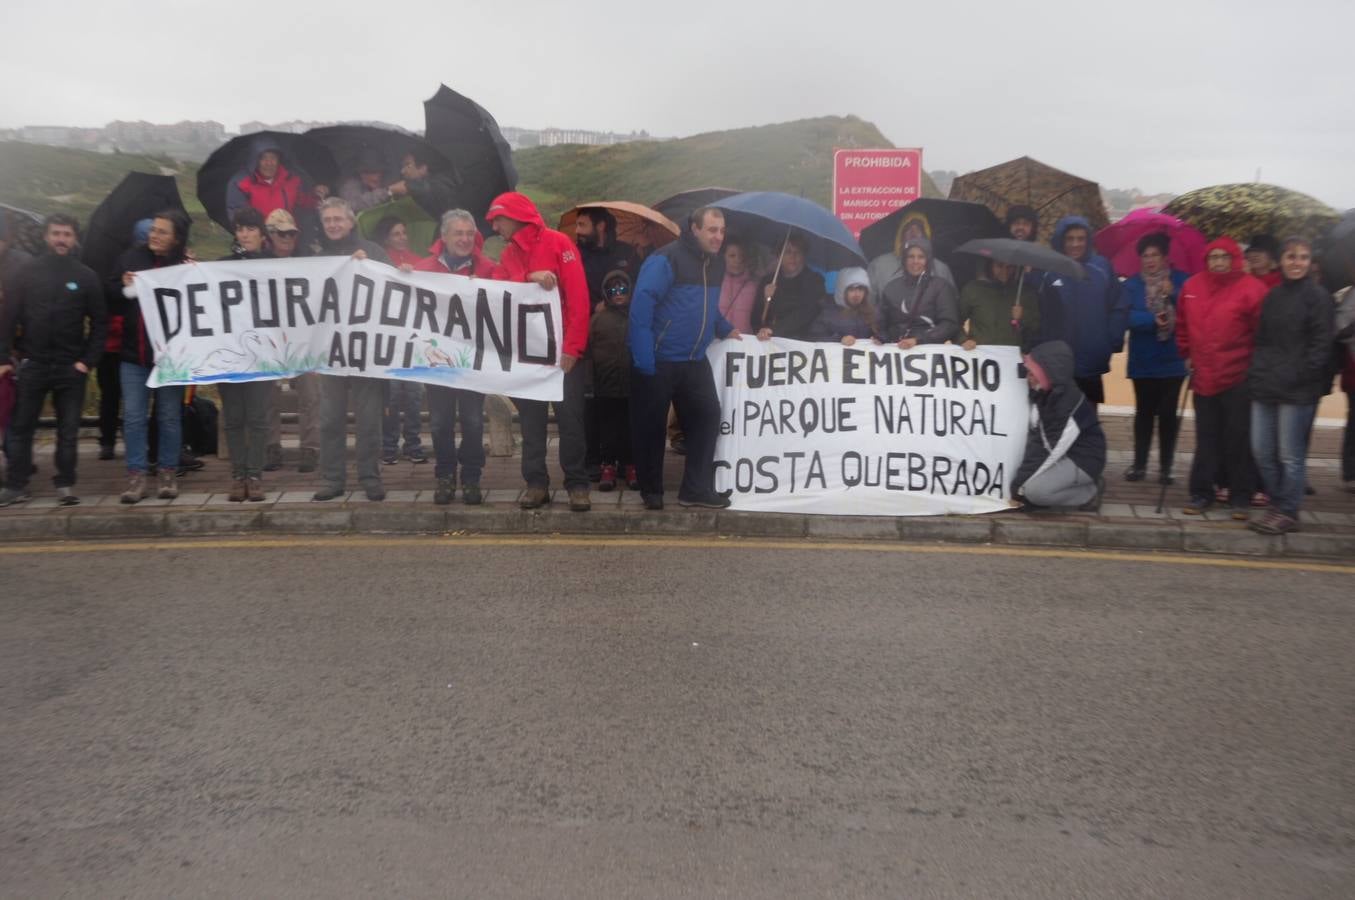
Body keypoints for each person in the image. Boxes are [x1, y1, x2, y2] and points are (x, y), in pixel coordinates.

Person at [485, 191, 592, 511]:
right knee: (531, 422)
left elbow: (578, 299)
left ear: (516, 217)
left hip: (562, 355)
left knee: (570, 420)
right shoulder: (508, 256)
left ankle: (576, 484)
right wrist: (528, 277)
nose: (495, 227)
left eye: (499, 220)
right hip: (528, 355)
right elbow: (500, 291)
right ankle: (535, 483)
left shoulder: (560, 243)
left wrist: (573, 347)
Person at [629, 206, 740, 509]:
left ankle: (695, 489)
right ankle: (651, 491)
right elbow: (641, 306)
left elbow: (705, 307)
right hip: (658, 357)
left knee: (707, 416)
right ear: (695, 229)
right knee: (651, 427)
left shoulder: (715, 264)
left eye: (721, 230)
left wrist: (725, 328)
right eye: (712, 230)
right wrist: (643, 358)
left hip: (693, 359)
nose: (718, 236)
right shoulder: (666, 258)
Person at [0, 214, 106, 508]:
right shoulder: (27, 272)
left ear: (74, 239)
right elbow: (8, 319)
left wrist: (87, 361)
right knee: (21, 427)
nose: (61, 239)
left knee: (68, 431)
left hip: (71, 367)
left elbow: (100, 322)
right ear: (46, 237)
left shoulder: (86, 276)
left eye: (67, 234)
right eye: (56, 233)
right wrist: (4, 357)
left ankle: (65, 483)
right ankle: (16, 484)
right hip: (33, 363)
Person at [1246, 237, 1335, 534]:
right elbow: (1262, 340)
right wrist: (1258, 373)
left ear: (1310, 262)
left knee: (1290, 455)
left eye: (1303, 257)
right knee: (1262, 451)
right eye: (1291, 257)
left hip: (1298, 391)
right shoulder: (1273, 296)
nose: (1297, 262)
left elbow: (1322, 346)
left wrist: (1300, 375)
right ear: (1281, 260)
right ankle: (1276, 501)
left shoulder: (1319, 297)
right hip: (1266, 384)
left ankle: (1288, 510)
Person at [1176, 238, 1268, 519]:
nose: (1218, 262)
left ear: (1235, 259)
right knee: (1206, 439)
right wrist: (1186, 354)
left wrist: (1252, 369)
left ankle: (1241, 496)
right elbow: (1182, 325)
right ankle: (1201, 493)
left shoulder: (1253, 289)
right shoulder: (1192, 287)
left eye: (1224, 257)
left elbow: (1261, 334)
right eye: (1213, 257)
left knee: (1238, 439)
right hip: (1204, 375)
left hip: (1238, 376)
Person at [107, 210, 192, 503]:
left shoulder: (185, 265)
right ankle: (137, 476)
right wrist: (121, 284)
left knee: (169, 416)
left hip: (170, 357)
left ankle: (168, 471)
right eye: (153, 229)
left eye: (162, 231)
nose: (154, 235)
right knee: (133, 417)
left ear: (176, 238)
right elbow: (109, 294)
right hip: (134, 354)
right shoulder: (130, 258)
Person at [312, 198, 391, 502]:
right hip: (329, 349)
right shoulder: (314, 254)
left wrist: (368, 268)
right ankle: (333, 479)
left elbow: (397, 288)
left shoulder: (372, 251)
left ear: (350, 222)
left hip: (365, 350)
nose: (332, 225)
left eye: (337, 219)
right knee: (330, 418)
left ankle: (370, 477)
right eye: (327, 220)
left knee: (369, 419)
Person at [415, 209, 495, 504]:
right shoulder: (423, 268)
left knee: (473, 421)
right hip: (437, 363)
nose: (464, 239)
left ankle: (472, 477)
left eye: (469, 234)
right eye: (458, 233)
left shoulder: (487, 268)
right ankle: (445, 476)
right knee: (439, 422)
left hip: (474, 362)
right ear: (444, 236)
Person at [212, 210, 274, 501]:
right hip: (229, 352)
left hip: (262, 354)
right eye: (240, 229)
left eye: (251, 228)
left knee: (258, 418)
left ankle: (255, 475)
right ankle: (238, 475)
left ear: (262, 234)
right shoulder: (222, 266)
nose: (245, 234)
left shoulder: (277, 266)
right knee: (234, 418)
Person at [1123, 232, 1189, 483]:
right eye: (1145, 255)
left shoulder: (1181, 280)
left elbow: (1191, 311)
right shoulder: (1131, 285)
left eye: (1155, 255)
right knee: (1144, 413)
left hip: (1173, 359)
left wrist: (1172, 294)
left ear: (1165, 257)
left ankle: (1166, 467)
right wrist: (1151, 319)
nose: (1150, 260)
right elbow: (1125, 317)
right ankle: (1139, 464)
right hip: (1143, 359)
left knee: (1169, 415)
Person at [1043, 215, 1127, 412]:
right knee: (1060, 417)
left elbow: (1118, 306)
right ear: (1062, 241)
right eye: (1070, 239)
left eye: (1080, 239)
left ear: (1088, 241)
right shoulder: (1048, 270)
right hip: (1059, 360)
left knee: (1089, 417)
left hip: (1092, 357)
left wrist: (1111, 340)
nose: (1075, 244)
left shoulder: (1102, 268)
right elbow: (1042, 314)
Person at [1011, 340, 1106, 511]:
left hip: (1084, 459)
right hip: (1063, 453)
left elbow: (1050, 451)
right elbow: (1036, 441)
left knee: (1035, 493)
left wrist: (1019, 488)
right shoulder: (1044, 393)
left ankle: (1090, 492)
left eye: (1032, 374)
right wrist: (1018, 485)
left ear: (1047, 374)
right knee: (1026, 487)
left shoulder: (1067, 405)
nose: (1028, 378)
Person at [261, 209, 321, 473]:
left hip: (303, 339)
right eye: (280, 233)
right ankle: (271, 446)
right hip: (269, 338)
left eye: (291, 233)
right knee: (267, 395)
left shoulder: (308, 260)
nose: (287, 237)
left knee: (311, 394)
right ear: (270, 235)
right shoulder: (254, 264)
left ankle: (311, 447)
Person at [589, 269, 638, 491]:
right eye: (613, 289)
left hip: (631, 385)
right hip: (605, 386)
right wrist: (589, 383)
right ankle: (607, 465)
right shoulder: (597, 319)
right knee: (607, 428)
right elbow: (588, 353)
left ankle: (629, 465)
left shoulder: (637, 317)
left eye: (623, 289)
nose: (618, 293)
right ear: (606, 293)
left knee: (630, 428)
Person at [880, 238, 959, 347]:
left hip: (930, 355)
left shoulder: (940, 286)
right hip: (896, 354)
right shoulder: (891, 287)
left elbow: (949, 324)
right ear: (904, 259)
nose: (915, 261)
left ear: (928, 260)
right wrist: (881, 337)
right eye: (911, 256)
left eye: (921, 257)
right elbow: (881, 323)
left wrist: (917, 340)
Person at [226, 139, 325, 223]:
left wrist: (318, 195)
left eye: (273, 158)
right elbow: (238, 218)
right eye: (263, 158)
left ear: (279, 160)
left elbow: (307, 203)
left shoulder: (292, 180)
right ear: (254, 161)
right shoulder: (240, 183)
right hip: (259, 241)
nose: (269, 163)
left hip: (287, 238)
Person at [865, 211, 957, 299]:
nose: (914, 233)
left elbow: (951, 304)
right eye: (908, 229)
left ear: (926, 236)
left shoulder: (940, 269)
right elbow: (866, 303)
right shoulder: (878, 265)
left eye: (919, 229)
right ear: (901, 234)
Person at [754, 232, 826, 341]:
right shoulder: (768, 281)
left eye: (798, 252)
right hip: (771, 345)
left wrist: (775, 330)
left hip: (804, 342)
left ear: (804, 255)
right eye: (788, 252)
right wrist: (764, 300)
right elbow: (755, 320)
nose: (793, 256)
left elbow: (806, 313)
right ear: (779, 255)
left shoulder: (815, 281)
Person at [957, 258, 1039, 350]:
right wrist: (963, 340)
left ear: (1016, 268)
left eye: (1010, 267)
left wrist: (1022, 316)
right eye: (999, 266)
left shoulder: (1025, 293)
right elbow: (955, 322)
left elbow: (1036, 329)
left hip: (1012, 355)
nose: (1004, 272)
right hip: (979, 355)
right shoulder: (973, 289)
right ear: (990, 266)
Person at [574, 207, 639, 307]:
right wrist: (594, 307)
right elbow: (572, 292)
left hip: (625, 313)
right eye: (577, 225)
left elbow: (639, 284)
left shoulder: (628, 252)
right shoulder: (575, 256)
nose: (577, 231)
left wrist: (625, 297)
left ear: (600, 226)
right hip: (592, 317)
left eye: (582, 225)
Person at [809, 267, 879, 344]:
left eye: (860, 289)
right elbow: (814, 338)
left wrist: (879, 338)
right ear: (842, 290)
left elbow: (886, 333)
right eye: (851, 289)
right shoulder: (828, 315)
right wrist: (839, 340)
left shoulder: (874, 312)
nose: (857, 294)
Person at [388, 149, 456, 218]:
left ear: (423, 168)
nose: (402, 171)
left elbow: (427, 189)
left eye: (408, 164)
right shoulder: (416, 194)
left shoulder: (440, 184)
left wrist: (406, 186)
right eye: (402, 166)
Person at [718, 238, 758, 334]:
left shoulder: (754, 286)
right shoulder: (714, 283)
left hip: (744, 343)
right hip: (717, 340)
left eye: (741, 256)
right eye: (732, 256)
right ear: (723, 257)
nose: (738, 260)